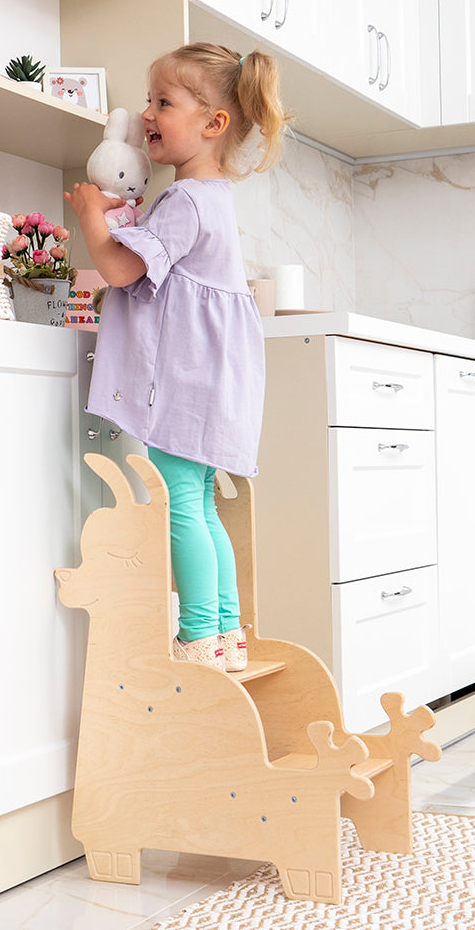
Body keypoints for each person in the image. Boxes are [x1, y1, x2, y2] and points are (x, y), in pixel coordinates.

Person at [64, 42, 289, 672]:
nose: (147, 115)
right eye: (149, 100)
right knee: (201, 501)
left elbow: (116, 268)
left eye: (164, 102)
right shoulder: (209, 200)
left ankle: (195, 639)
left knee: (182, 503)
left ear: (213, 125)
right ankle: (224, 632)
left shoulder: (186, 202)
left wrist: (91, 215)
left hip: (189, 386)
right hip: (213, 383)